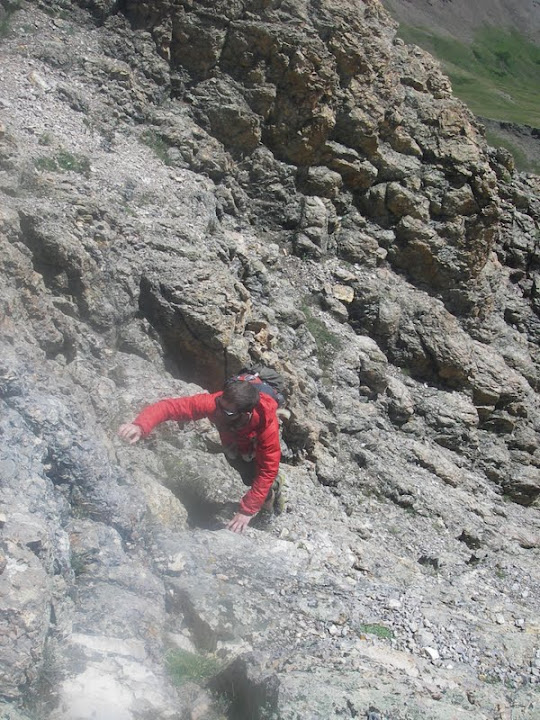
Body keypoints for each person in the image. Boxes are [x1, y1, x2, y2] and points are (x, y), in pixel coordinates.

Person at [118, 380, 283, 534]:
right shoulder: (216, 403)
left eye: (227, 412)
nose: (218, 412)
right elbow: (170, 407)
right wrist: (140, 425)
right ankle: (264, 490)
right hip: (233, 441)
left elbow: (267, 470)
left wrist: (247, 510)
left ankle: (268, 505)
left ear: (245, 414)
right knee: (247, 476)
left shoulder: (266, 425)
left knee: (261, 478)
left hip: (255, 443)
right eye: (219, 404)